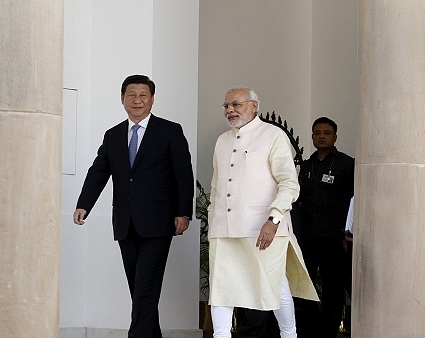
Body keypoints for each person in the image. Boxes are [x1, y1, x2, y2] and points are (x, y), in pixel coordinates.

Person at [73, 74, 194, 338]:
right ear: (122, 99)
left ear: (152, 99)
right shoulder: (113, 134)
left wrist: (183, 212)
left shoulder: (170, 131)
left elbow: (183, 174)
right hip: (126, 223)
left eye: (143, 95)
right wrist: (84, 204)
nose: (137, 100)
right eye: (131, 95)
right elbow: (99, 171)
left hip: (159, 223)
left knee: (146, 287)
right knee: (139, 289)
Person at [207, 87, 318, 338]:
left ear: (254, 105)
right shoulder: (222, 140)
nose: (230, 110)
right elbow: (216, 187)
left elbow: (289, 183)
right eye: (226, 106)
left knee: (276, 286)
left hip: (264, 228)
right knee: (220, 289)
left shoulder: (273, 135)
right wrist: (214, 222)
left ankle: (290, 335)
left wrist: (274, 219)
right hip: (224, 229)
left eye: (236, 104)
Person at [295, 117, 354, 338]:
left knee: (333, 288)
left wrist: (349, 233)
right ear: (312, 137)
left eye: (326, 132)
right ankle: (310, 330)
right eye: (317, 132)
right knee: (305, 286)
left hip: (334, 238)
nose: (321, 136)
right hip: (308, 238)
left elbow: (354, 201)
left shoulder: (347, 164)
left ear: (335, 137)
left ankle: (328, 332)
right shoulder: (306, 166)